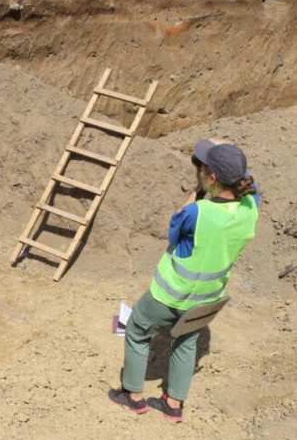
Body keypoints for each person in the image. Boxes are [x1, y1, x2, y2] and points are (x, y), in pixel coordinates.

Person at [108, 138, 259, 422]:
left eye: (203, 168)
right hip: (207, 297)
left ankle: (133, 395)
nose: (199, 170)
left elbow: (174, 231)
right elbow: (246, 178)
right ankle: (174, 403)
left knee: (138, 330)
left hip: (170, 295)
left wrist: (197, 191)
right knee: (187, 342)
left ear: (212, 178)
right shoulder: (251, 206)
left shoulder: (197, 211)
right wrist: (229, 153)